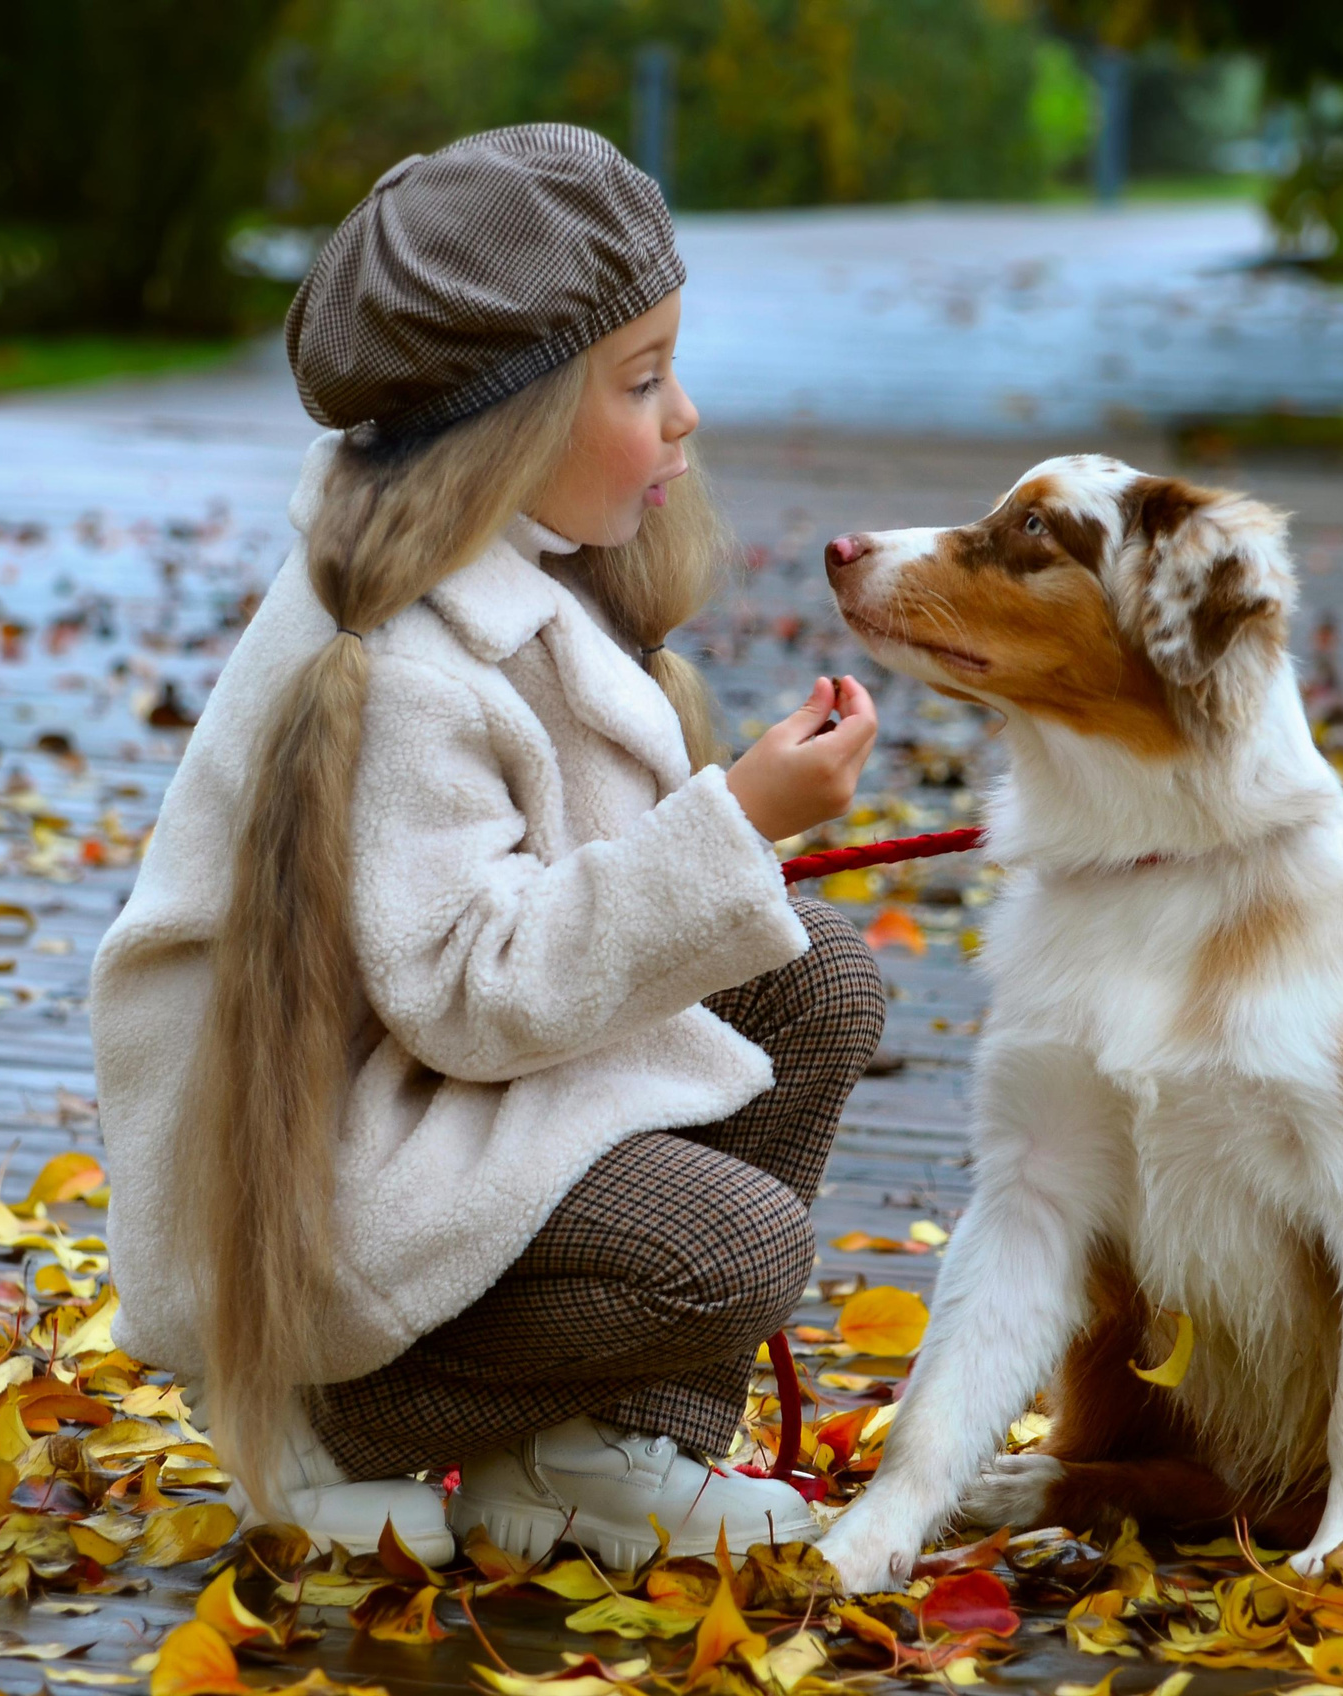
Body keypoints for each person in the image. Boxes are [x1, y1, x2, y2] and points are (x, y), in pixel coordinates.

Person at [89, 123, 885, 1568]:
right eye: (642, 383)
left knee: (816, 978)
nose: (686, 416)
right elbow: (472, 994)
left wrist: (735, 838)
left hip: (432, 1086)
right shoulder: (400, 666)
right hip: (334, 1164)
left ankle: (598, 1452)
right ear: (510, 423)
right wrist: (745, 819)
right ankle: (329, 1420)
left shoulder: (522, 569)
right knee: (733, 1255)